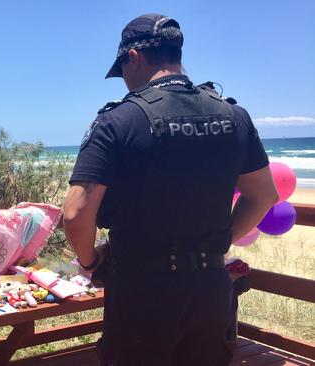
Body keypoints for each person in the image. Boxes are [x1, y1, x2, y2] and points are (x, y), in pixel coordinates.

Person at [63, 14, 278, 366]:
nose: (125, 84)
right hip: (210, 290)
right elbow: (263, 194)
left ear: (133, 57)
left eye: (122, 71)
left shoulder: (117, 121)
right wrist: (218, 243)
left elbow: (75, 213)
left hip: (141, 292)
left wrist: (90, 261)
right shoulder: (234, 116)